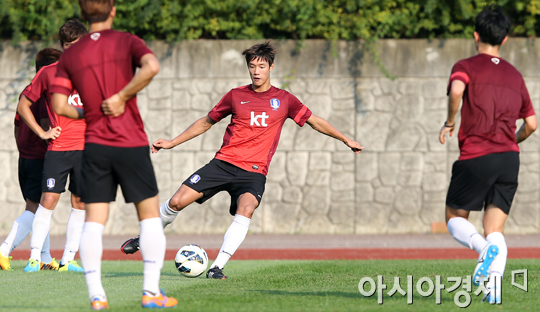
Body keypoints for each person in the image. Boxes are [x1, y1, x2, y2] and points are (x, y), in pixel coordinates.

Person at [120, 41, 363, 280]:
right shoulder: (236, 96)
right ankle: (144, 238)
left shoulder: (284, 100)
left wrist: (345, 139)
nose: (256, 72)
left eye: (261, 66)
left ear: (271, 67)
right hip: (222, 164)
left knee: (246, 209)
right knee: (176, 201)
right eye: (252, 67)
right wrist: (173, 142)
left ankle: (217, 267)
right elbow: (206, 121)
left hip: (253, 173)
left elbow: (315, 120)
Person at [51, 0, 177, 309]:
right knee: (148, 217)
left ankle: (96, 296)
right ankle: (150, 292)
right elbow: (152, 66)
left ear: (82, 14)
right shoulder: (126, 40)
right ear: (113, 11)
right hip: (131, 142)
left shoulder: (70, 55)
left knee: (93, 221)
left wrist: (88, 112)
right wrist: (121, 96)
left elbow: (58, 105)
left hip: (93, 146)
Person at [439, 5, 537, 304]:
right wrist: (512, 139)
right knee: (496, 228)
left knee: (454, 216)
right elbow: (532, 124)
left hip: (476, 153)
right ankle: (493, 291)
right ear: (505, 40)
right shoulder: (515, 75)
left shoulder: (466, 66)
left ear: (475, 35)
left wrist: (450, 122)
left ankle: (482, 250)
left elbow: (457, 91)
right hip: (509, 157)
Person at [17, 20, 88, 273]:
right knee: (47, 200)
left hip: (86, 150)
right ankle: (35, 258)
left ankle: (68, 260)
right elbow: (23, 105)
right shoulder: (48, 72)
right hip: (58, 149)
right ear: (62, 46)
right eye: (68, 46)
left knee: (80, 203)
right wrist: (41, 132)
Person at [0, 48, 62, 271]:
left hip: (25, 158)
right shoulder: (45, 95)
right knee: (36, 210)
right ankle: (4, 250)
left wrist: (23, 150)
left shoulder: (26, 92)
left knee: (38, 208)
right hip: (39, 157)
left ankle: (44, 257)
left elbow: (17, 127)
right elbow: (47, 125)